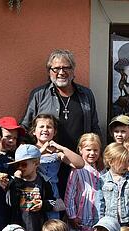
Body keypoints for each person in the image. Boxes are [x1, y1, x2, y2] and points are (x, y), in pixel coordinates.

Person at [21, 49, 102, 192]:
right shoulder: (39, 95)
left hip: (77, 161)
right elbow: (25, 127)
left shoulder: (86, 95)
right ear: (49, 71)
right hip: (47, 163)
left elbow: (94, 127)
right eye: (56, 68)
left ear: (73, 70)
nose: (61, 72)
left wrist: (99, 156)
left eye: (66, 67)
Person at [3, 144, 56, 231]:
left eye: (23, 164)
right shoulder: (14, 182)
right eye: (17, 165)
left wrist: (44, 204)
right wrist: (16, 182)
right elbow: (11, 203)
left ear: (36, 163)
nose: (20, 168)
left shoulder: (44, 182)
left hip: (37, 230)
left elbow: (53, 202)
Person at [30, 114, 84, 219]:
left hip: (52, 193)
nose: (45, 129)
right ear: (34, 131)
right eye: (41, 126)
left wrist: (61, 148)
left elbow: (80, 164)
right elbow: (27, 164)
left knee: (52, 225)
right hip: (34, 191)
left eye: (49, 127)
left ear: (54, 132)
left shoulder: (57, 153)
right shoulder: (29, 149)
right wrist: (41, 150)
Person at [65, 133, 102, 231]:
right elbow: (70, 193)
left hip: (98, 214)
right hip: (83, 215)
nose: (92, 153)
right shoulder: (78, 169)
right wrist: (72, 215)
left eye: (95, 150)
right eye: (88, 150)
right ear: (81, 150)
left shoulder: (102, 169)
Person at [97, 143, 129, 231]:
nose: (126, 165)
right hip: (108, 221)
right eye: (123, 162)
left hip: (126, 221)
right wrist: (101, 221)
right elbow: (100, 203)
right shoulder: (102, 180)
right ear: (111, 162)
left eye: (127, 162)